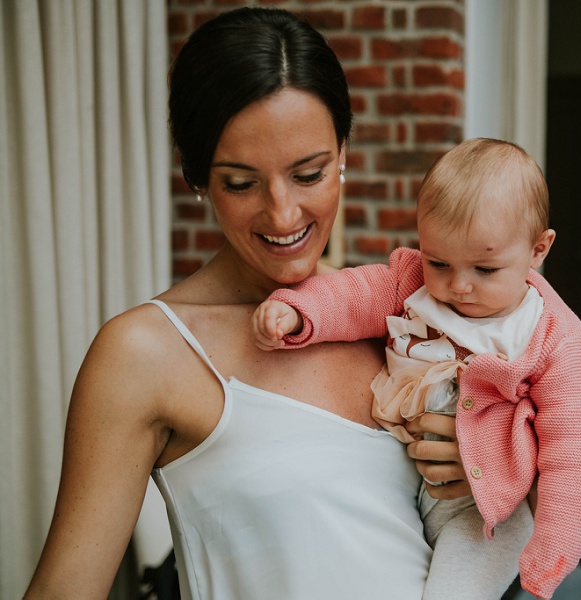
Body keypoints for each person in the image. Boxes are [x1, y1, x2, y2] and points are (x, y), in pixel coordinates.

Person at [24, 8, 471, 599]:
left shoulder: (398, 317)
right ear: (198, 177)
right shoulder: (143, 354)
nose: (283, 215)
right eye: (240, 183)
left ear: (343, 151)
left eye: (308, 174)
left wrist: (486, 466)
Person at [252, 138, 581, 599]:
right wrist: (299, 312)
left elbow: (575, 450)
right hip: (394, 475)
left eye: (484, 269)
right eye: (439, 261)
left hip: (482, 513)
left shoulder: (553, 339)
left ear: (538, 249)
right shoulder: (415, 282)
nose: (458, 286)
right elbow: (355, 293)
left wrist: (551, 553)